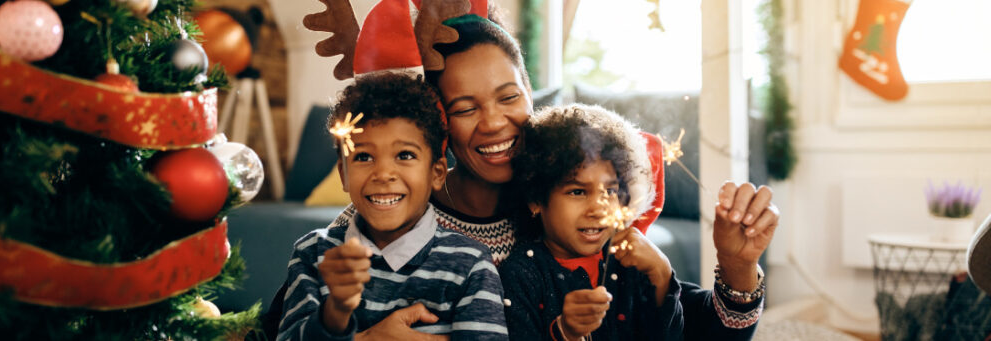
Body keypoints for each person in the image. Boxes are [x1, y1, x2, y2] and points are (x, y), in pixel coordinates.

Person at [301, 11, 776, 341]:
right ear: (439, 122)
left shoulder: (570, 212)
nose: (493, 122)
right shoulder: (386, 217)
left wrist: (737, 266)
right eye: (464, 108)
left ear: (530, 92)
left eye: (509, 97)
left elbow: (700, 332)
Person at [277, 73, 508, 341]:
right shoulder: (313, 254)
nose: (384, 173)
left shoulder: (470, 264)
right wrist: (335, 312)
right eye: (364, 156)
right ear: (344, 174)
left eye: (405, 155)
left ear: (437, 173)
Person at [501, 104, 683, 340]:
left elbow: (670, 336)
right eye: (577, 192)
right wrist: (564, 332)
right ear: (536, 198)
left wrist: (662, 273)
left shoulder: (631, 263)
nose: (599, 209)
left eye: (610, 191)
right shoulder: (521, 274)